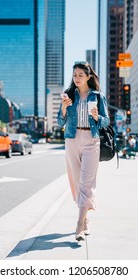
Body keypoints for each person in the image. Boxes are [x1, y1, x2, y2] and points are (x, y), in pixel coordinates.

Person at [57, 61, 110, 241]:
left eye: (80, 75)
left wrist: (97, 117)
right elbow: (60, 122)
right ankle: (85, 219)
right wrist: (64, 107)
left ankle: (79, 226)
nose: (77, 78)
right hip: (72, 139)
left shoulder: (97, 96)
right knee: (78, 183)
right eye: (74, 75)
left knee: (86, 183)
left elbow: (106, 122)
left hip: (91, 140)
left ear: (88, 76)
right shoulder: (69, 95)